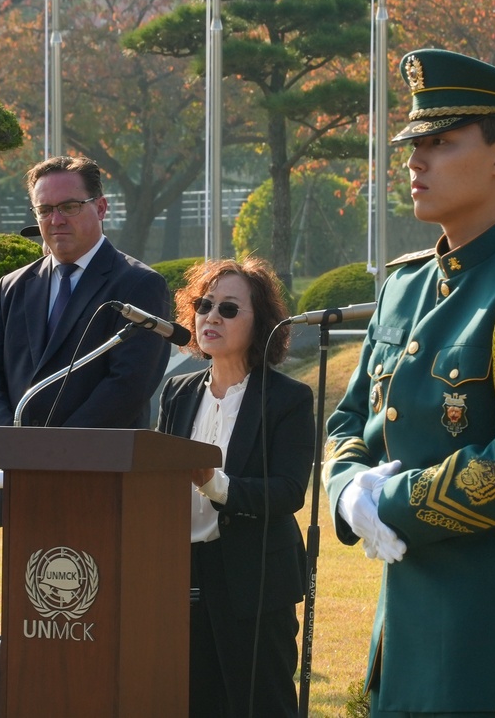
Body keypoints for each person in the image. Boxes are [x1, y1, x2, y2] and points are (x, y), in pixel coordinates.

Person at [323, 49, 495, 715]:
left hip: (488, 608)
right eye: (413, 145)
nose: (415, 161)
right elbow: (349, 422)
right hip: (405, 603)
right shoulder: (401, 286)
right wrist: (346, 494)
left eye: (441, 143)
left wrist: (390, 503)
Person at [0, 156, 172, 520]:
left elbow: (128, 385)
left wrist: (54, 453)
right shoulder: (13, 286)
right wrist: (13, 446)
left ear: (101, 207)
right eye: (44, 209)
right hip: (21, 480)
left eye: (69, 206)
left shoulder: (139, 285)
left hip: (98, 480)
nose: (56, 219)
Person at [157, 257, 314, 717]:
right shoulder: (178, 391)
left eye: (229, 309)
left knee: (260, 704)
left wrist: (215, 484)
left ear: (262, 323)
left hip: (254, 578)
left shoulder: (288, 398)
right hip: (182, 575)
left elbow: (288, 491)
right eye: (204, 305)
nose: (211, 317)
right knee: (192, 702)